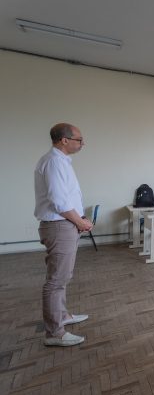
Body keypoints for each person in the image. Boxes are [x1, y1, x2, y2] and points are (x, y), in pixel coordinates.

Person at [34, 123, 93, 347]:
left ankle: (63, 316)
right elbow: (59, 202)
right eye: (79, 139)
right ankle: (54, 333)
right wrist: (81, 223)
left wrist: (80, 220)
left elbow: (67, 199)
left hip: (66, 224)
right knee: (56, 281)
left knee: (63, 277)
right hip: (60, 226)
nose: (82, 143)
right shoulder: (54, 162)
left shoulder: (61, 162)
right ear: (64, 140)